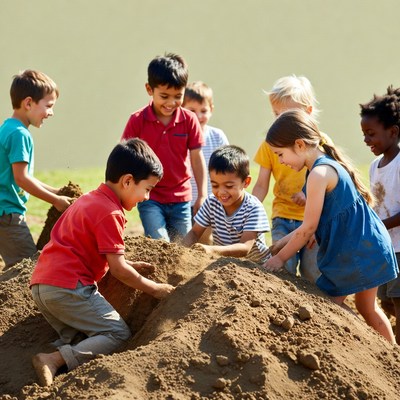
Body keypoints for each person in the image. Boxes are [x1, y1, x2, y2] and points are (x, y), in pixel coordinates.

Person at [30, 138, 175, 386]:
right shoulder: (110, 212)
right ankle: (52, 359)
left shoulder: (89, 199)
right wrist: (155, 288)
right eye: (148, 189)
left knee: (79, 335)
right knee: (117, 334)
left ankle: (63, 353)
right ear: (127, 181)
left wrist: (126, 263)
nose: (147, 197)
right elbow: (118, 269)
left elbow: (84, 249)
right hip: (68, 288)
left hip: (43, 286)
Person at [263, 109, 398, 344]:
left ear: (299, 144)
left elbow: (307, 229)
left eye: (280, 154)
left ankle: (374, 352)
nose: (280, 161)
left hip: (357, 252)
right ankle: (392, 358)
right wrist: (281, 243)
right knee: (367, 308)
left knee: (325, 306)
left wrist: (280, 259)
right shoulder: (320, 169)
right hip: (367, 246)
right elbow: (308, 225)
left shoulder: (319, 174)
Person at [121, 53, 207, 242]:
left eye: (178, 96)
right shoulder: (137, 120)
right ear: (149, 89)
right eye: (164, 96)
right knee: (159, 241)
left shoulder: (189, 120)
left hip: (181, 197)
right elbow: (124, 157)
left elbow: (197, 158)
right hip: (149, 196)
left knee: (183, 245)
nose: (171, 103)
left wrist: (202, 194)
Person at [0, 70, 72, 269]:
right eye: (48, 106)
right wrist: (55, 200)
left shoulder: (8, 128)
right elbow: (22, 179)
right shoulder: (19, 134)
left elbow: (25, 177)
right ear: (28, 103)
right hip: (8, 214)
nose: (51, 113)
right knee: (25, 267)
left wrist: (56, 191)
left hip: (4, 212)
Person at [252, 75, 321, 282]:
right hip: (282, 217)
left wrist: (308, 195)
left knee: (312, 272)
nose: (281, 120)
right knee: (284, 270)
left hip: (313, 220)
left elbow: (328, 183)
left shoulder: (320, 143)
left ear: (308, 111)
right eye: (276, 114)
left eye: (288, 114)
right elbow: (261, 184)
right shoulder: (269, 145)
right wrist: (250, 212)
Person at [183, 145, 271, 264]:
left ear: (246, 182)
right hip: (226, 263)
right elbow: (194, 232)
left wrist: (211, 249)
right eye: (215, 185)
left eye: (229, 186)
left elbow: (245, 247)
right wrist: (181, 251)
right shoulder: (211, 202)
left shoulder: (254, 208)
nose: (221, 192)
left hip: (256, 266)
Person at [360, 85, 400, 344]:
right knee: (385, 299)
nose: (366, 140)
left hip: (399, 246)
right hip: (385, 246)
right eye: (364, 134)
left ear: (393, 132)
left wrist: (380, 225)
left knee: (398, 299)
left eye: (371, 134)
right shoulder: (376, 166)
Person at [183, 81, 229, 244]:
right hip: (184, 200)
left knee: (204, 239)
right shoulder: (180, 136)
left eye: (203, 111)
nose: (198, 116)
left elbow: (228, 166)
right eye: (192, 111)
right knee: (185, 238)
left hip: (210, 200)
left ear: (211, 110)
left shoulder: (217, 136)